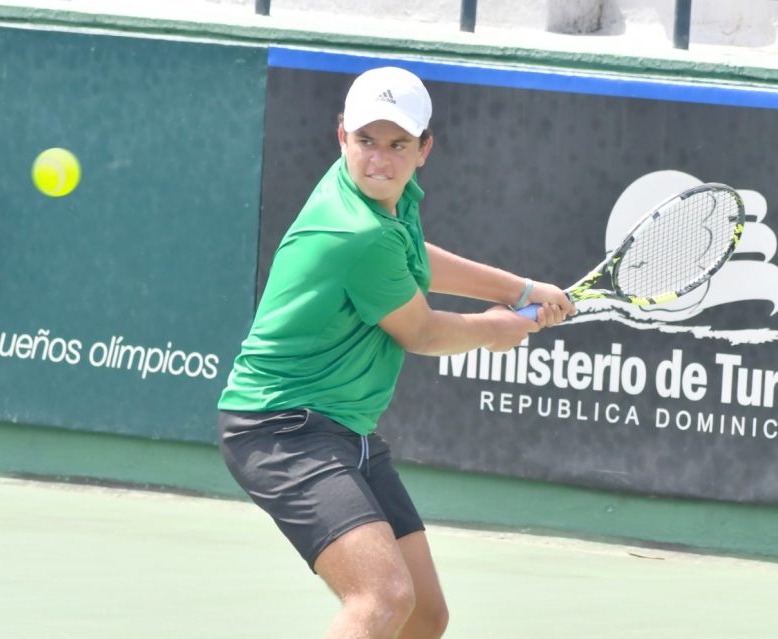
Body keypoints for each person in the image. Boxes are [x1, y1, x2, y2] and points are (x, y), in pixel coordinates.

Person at [217, 66, 575, 639]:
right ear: (342, 137)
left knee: (425, 615)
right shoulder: (354, 232)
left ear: (423, 149)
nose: (379, 159)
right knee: (381, 599)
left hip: (343, 429)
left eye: (397, 144)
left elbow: (414, 255)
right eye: (365, 141)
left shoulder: (385, 201)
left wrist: (521, 290)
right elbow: (423, 333)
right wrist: (496, 328)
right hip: (280, 431)